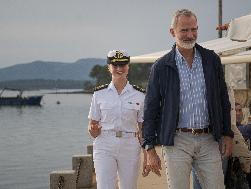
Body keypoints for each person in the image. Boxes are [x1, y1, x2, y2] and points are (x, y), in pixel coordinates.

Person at [142, 9, 234, 189]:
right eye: (184, 30)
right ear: (172, 32)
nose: (190, 35)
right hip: (176, 141)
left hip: (209, 139)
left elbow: (223, 99)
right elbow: (150, 109)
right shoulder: (161, 67)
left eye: (194, 29)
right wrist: (149, 147)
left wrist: (227, 134)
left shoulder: (211, 60)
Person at [88, 50, 147, 189]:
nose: (119, 69)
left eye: (123, 65)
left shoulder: (139, 94)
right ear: (109, 67)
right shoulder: (99, 94)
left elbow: (143, 128)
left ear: (128, 66)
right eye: (115, 66)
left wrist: (147, 154)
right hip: (104, 144)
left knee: (129, 186)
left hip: (130, 144)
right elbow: (92, 128)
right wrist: (93, 129)